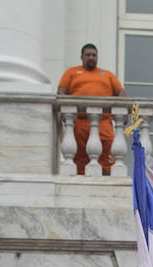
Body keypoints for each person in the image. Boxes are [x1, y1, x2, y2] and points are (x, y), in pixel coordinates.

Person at [57, 43, 124, 176]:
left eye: (94, 55)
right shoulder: (72, 72)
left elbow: (121, 93)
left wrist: (124, 112)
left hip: (103, 122)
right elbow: (61, 92)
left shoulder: (107, 74)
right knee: (79, 157)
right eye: (88, 55)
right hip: (79, 123)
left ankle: (106, 179)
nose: (91, 57)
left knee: (107, 156)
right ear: (82, 57)